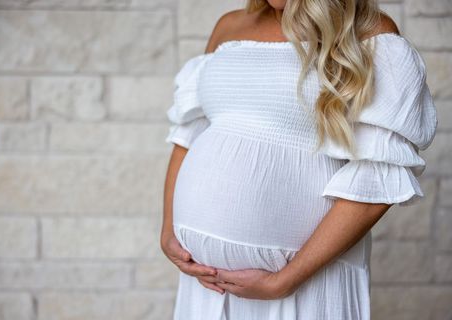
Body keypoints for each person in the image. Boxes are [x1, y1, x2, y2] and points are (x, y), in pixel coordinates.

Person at [160, 0, 438, 319]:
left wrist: (284, 281)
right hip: (205, 283)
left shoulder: (371, 34)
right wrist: (169, 230)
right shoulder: (230, 26)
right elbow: (189, 131)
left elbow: (378, 173)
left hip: (305, 281)